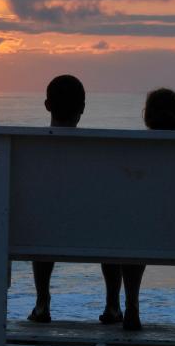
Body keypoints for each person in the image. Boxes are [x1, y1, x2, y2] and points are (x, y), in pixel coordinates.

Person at [28, 74, 124, 324]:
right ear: (82, 107)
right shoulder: (101, 151)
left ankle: (42, 302)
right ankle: (113, 304)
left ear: (47, 105)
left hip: (43, 235)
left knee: (42, 220)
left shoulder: (29, 150)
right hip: (98, 235)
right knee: (112, 223)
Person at [120, 87, 175, 331]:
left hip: (143, 235)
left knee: (131, 232)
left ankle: (131, 306)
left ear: (147, 116)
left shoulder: (138, 150)